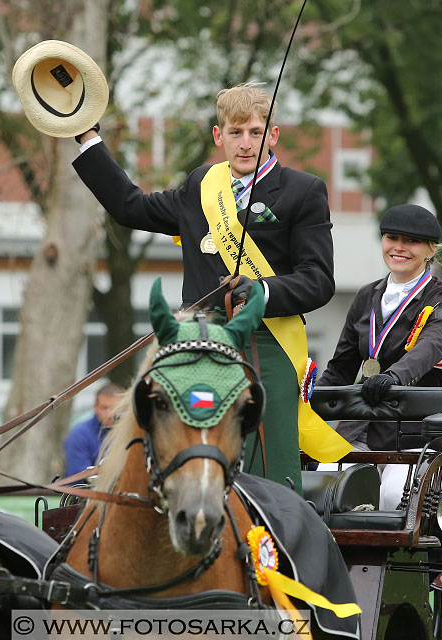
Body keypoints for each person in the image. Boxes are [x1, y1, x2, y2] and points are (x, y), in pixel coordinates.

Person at [72, 83, 347, 493]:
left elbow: (318, 279)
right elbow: (131, 207)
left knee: (266, 469)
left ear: (273, 135)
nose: (246, 143)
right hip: (198, 339)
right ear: (219, 137)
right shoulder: (202, 184)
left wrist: (261, 292)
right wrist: (87, 137)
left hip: (267, 340)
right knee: (167, 433)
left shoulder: (303, 191)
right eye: (235, 133)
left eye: (256, 132)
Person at [318, 203, 442, 451]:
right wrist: (305, 400)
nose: (399, 247)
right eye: (391, 238)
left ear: (431, 249)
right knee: (328, 485)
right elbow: (341, 368)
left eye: (411, 241)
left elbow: (430, 346)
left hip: (416, 436)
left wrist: (394, 377)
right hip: (358, 427)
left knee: (391, 493)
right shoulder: (365, 296)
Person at [63, 382, 123, 477]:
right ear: (95, 407)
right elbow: (79, 476)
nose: (110, 414)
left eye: (115, 408)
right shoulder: (79, 435)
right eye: (104, 408)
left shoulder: (130, 433)